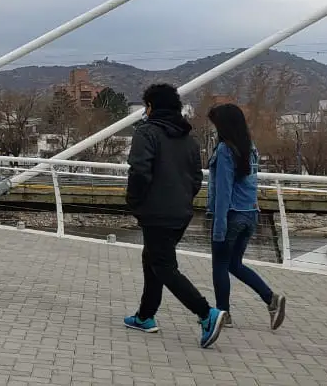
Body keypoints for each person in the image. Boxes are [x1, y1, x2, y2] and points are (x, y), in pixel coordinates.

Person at [123, 83, 227, 349]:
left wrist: (134, 201)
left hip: (155, 212)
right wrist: (182, 199)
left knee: (164, 266)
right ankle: (145, 316)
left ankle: (206, 313)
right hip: (181, 212)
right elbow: (196, 178)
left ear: (150, 106)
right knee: (153, 259)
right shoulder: (188, 139)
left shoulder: (146, 133)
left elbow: (139, 171)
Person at [206, 103, 288, 330]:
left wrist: (219, 226)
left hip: (231, 215)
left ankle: (223, 314)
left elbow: (224, 191)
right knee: (234, 264)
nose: (214, 129)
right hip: (250, 214)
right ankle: (271, 299)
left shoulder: (225, 150)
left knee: (220, 265)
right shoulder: (250, 148)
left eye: (215, 124)